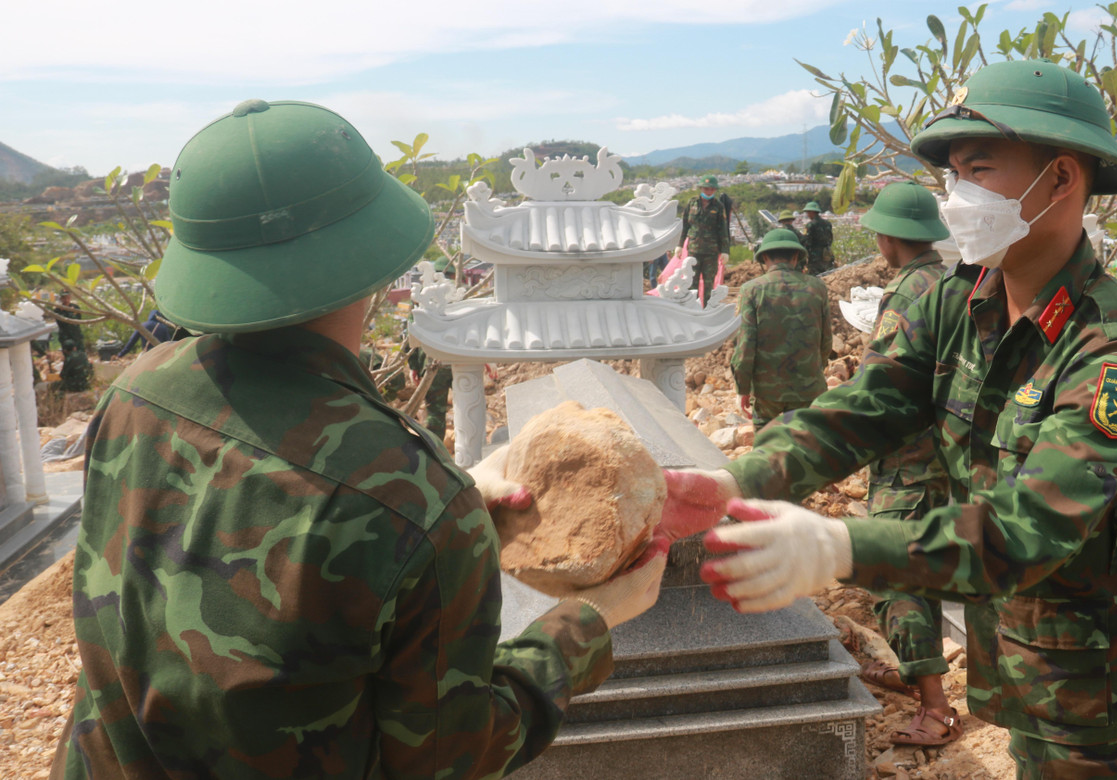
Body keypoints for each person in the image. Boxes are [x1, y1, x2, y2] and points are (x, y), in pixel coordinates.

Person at [53, 99, 667, 779]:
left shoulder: (136, 391)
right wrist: (589, 620)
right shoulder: (418, 503)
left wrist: (438, 523)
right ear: (371, 261)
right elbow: (447, 758)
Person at [668, 61, 1117, 779]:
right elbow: (862, 409)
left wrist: (837, 545)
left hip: (1102, 674)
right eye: (953, 176)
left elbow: (1025, 532)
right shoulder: (961, 300)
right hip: (1013, 641)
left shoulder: (1112, 354)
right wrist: (732, 480)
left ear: (1062, 180)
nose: (959, 199)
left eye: (979, 170)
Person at [852, 182, 961, 748]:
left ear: (891, 235)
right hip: (941, 453)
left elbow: (883, 379)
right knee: (920, 568)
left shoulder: (908, 291)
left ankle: (936, 708)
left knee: (892, 571)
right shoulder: (948, 280)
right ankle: (915, 672)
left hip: (907, 458)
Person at [730, 228, 832, 427]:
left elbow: (744, 346)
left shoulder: (751, 290)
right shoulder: (817, 288)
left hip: (767, 392)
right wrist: (814, 371)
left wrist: (743, 387)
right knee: (806, 447)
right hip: (809, 388)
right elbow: (826, 341)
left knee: (766, 449)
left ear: (765, 257)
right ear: (796, 256)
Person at [679, 174, 731, 305]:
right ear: (701, 188)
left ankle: (707, 310)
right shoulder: (692, 203)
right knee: (692, 282)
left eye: (712, 189)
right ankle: (692, 308)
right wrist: (679, 245)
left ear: (715, 190)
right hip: (694, 250)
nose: (709, 191)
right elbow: (685, 225)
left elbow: (723, 230)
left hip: (711, 251)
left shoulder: (718, 206)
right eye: (706, 189)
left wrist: (725, 250)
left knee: (709, 283)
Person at [53, 292, 92, 392]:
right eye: (64, 298)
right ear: (61, 299)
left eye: (68, 298)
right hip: (66, 338)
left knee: (81, 357)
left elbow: (77, 321)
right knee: (69, 359)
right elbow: (62, 322)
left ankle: (85, 377)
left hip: (76, 337)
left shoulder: (75, 307)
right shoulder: (58, 310)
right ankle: (72, 376)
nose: (66, 300)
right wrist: (68, 313)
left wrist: (72, 312)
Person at [802, 200, 835, 275]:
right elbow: (830, 239)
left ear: (812, 212)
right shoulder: (827, 223)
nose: (807, 214)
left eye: (808, 212)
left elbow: (807, 243)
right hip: (827, 254)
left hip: (815, 258)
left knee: (816, 277)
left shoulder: (810, 225)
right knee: (828, 275)